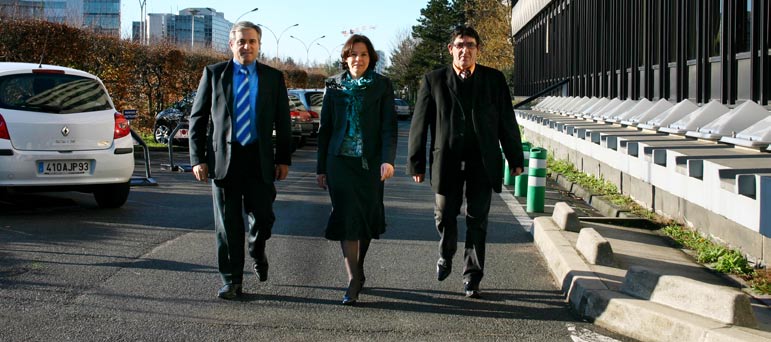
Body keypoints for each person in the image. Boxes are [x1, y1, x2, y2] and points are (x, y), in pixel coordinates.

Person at [407, 26, 524, 299]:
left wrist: (515, 157)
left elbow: (507, 120)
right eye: (459, 45)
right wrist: (416, 164)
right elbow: (419, 124)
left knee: (477, 220)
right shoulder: (434, 80)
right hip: (446, 161)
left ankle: (472, 277)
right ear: (451, 49)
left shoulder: (493, 80)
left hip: (482, 163)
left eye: (470, 45)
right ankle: (446, 253)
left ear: (477, 50)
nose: (465, 50)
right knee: (444, 215)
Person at [188, 21, 292, 300]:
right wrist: (197, 158)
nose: (247, 46)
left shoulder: (273, 77)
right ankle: (231, 280)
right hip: (225, 160)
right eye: (241, 41)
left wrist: (283, 159)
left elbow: (283, 121)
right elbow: (197, 118)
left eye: (252, 41)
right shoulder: (214, 74)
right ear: (231, 45)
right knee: (228, 225)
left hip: (259, 159)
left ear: (259, 45)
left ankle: (257, 250)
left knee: (263, 219)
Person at [316, 34, 397, 305]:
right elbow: (325, 129)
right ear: (345, 57)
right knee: (345, 215)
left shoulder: (382, 86)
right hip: (339, 162)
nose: (357, 59)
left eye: (363, 55)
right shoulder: (334, 86)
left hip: (370, 164)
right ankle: (352, 279)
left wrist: (388, 159)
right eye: (353, 54)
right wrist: (320, 168)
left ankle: (359, 269)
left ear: (370, 58)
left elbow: (388, 126)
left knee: (365, 217)